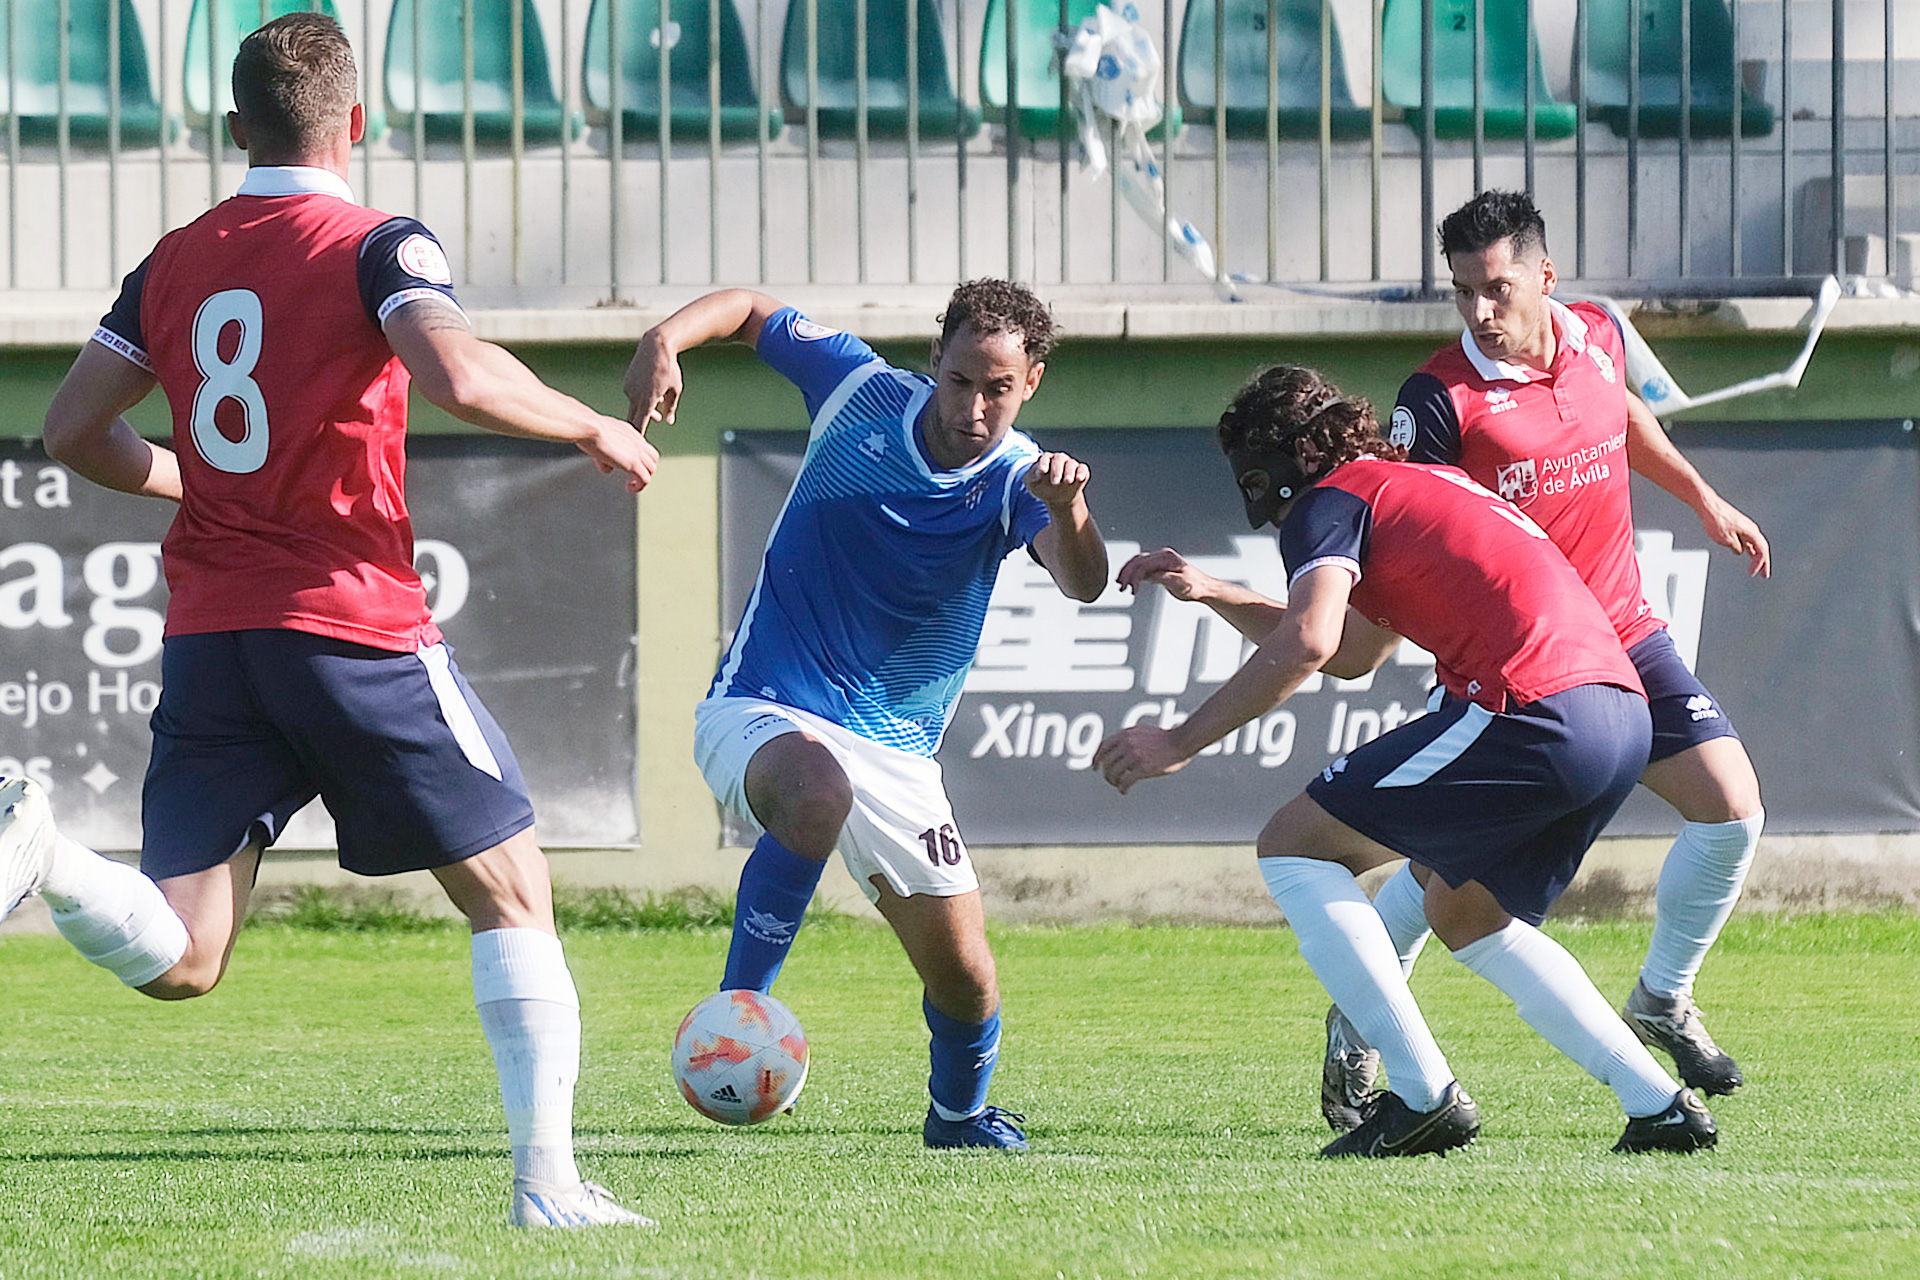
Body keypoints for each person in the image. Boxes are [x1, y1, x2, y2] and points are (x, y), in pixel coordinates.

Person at [0, 15, 655, 1229]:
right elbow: (454, 373)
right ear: (357, 124)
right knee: (513, 887)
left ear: (235, 128)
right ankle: (548, 1186)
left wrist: (187, 480)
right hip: (350, 623)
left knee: (188, 955)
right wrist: (589, 423)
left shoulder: (173, 259)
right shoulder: (377, 241)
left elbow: (72, 430)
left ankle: (46, 854)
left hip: (212, 633)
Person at [1095, 365, 1717, 1157]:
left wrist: (1179, 741)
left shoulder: (1331, 498)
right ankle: (1660, 1105)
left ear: (1305, 452)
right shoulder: (1414, 481)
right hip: (1620, 714)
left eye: (1259, 476)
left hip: (1533, 707)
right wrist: (1216, 590)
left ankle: (1424, 1097)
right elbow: (1356, 651)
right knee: (1468, 915)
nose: (1259, 504)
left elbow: (1313, 642)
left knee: (1292, 846)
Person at [1309, 190, 1768, 1126]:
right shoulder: (1434, 401)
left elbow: (1628, 417)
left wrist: (1704, 501)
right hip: (1520, 663)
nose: (1481, 310)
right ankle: (1363, 1022)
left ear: (1546, 279)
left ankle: (1662, 996)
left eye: (1498, 288)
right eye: (1464, 292)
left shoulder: (1599, 332)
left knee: (1732, 813)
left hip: (1627, 634)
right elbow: (1413, 533)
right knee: (1450, 875)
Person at [623, 280, 1108, 1151]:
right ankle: (737, 1014)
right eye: (960, 380)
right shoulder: (858, 390)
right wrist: (666, 337)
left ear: (1029, 382)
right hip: (764, 704)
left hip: (897, 753)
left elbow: (1083, 582)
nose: (974, 406)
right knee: (816, 791)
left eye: (998, 388)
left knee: (966, 980)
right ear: (935, 363)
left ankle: (957, 1120)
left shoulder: (1014, 480)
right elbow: (748, 311)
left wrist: (1069, 506)